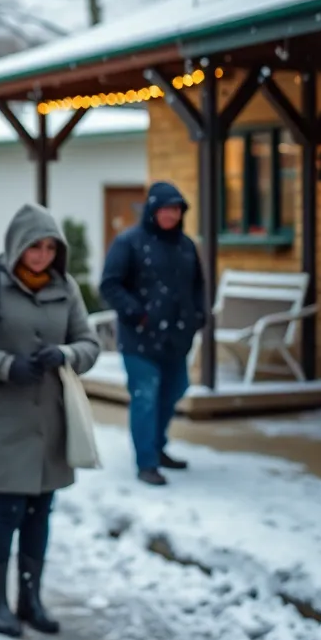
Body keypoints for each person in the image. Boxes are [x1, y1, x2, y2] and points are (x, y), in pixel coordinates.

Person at [0, 203, 100, 638]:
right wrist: (5, 364)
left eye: (50, 247)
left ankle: (30, 598)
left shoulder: (65, 288)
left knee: (40, 511)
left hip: (49, 420)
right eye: (35, 246)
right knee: (7, 508)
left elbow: (89, 342)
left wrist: (65, 354)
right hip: (1, 419)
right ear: (18, 245)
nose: (42, 255)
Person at [99, 181, 205, 487]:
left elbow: (197, 285)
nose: (171, 215)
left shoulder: (185, 246)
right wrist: (137, 314)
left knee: (176, 389)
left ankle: (158, 448)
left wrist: (198, 313)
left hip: (176, 338)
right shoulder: (129, 242)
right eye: (166, 209)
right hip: (139, 337)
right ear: (153, 210)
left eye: (176, 209)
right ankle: (146, 461)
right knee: (145, 396)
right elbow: (110, 285)